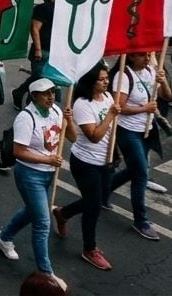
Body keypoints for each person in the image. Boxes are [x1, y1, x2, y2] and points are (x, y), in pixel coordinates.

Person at [0, 78, 72, 292]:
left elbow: (71, 136)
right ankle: (46, 274)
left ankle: (4, 236)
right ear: (34, 96)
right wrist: (48, 160)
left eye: (52, 93)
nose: (51, 97)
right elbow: (19, 152)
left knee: (32, 211)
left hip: (48, 174)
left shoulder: (56, 110)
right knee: (43, 222)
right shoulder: (25, 118)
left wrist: (69, 120)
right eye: (45, 94)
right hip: (30, 175)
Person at [51, 63, 119, 271]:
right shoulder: (82, 104)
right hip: (86, 162)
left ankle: (63, 213)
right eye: (101, 79)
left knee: (97, 199)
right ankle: (90, 249)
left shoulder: (107, 98)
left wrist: (116, 151)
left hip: (104, 161)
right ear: (91, 82)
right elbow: (94, 136)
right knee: (94, 205)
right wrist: (110, 115)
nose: (106, 81)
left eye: (107, 78)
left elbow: (110, 132)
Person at [108, 51, 170, 241]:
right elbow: (119, 107)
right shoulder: (123, 76)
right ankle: (140, 220)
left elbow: (166, 96)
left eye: (147, 55)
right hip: (128, 132)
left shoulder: (151, 71)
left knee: (135, 169)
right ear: (131, 57)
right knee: (141, 173)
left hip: (147, 130)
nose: (147, 58)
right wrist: (144, 108)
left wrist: (164, 80)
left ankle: (104, 189)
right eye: (142, 55)